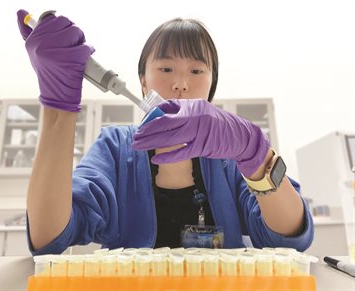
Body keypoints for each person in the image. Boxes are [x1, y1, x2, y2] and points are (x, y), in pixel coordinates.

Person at [16, 9, 313, 256]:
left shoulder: (230, 154)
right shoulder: (115, 147)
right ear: (143, 81)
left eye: (196, 71)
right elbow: (49, 238)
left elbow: (290, 238)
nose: (181, 83)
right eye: (167, 69)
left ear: (212, 86)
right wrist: (59, 107)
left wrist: (254, 153)